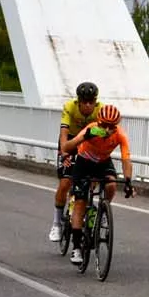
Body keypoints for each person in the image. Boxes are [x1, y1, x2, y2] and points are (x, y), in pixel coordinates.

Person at [60, 104, 133, 265]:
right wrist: (84, 137)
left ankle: (103, 211)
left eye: (111, 126)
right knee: (80, 202)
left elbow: (126, 159)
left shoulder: (120, 135)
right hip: (84, 162)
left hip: (102, 162)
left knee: (111, 184)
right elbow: (66, 147)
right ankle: (76, 247)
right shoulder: (91, 129)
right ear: (98, 122)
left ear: (116, 126)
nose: (107, 129)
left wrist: (128, 181)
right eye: (104, 125)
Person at [49, 81, 101, 243]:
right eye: (84, 101)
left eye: (91, 101)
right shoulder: (70, 107)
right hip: (71, 141)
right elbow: (64, 133)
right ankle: (56, 223)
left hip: (89, 142)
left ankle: (85, 205)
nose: (87, 105)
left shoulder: (100, 110)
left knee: (92, 179)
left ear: (95, 101)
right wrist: (64, 153)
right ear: (78, 101)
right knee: (65, 182)